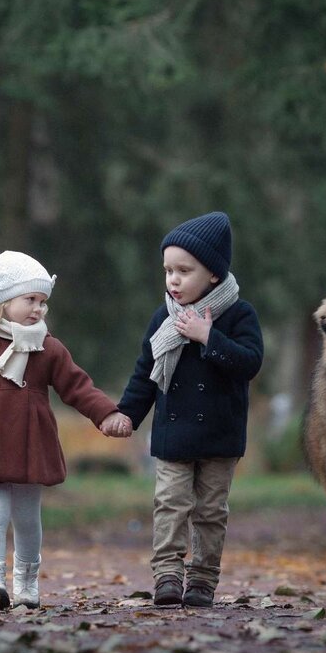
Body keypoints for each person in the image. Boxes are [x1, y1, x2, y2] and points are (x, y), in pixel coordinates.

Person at [0, 251, 131, 611]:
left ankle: (26, 582)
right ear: (3, 301)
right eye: (30, 299)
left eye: (43, 302)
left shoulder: (48, 347)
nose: (38, 309)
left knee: (28, 517)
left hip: (32, 442)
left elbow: (77, 386)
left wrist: (106, 414)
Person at [109, 212, 263, 608]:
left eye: (184, 270)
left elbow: (250, 363)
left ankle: (203, 579)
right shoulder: (164, 317)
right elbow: (146, 371)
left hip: (219, 434)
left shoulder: (238, 314)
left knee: (211, 511)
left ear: (213, 273)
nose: (173, 280)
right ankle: (167, 575)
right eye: (168, 271)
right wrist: (127, 413)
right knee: (170, 505)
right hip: (172, 434)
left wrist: (208, 336)